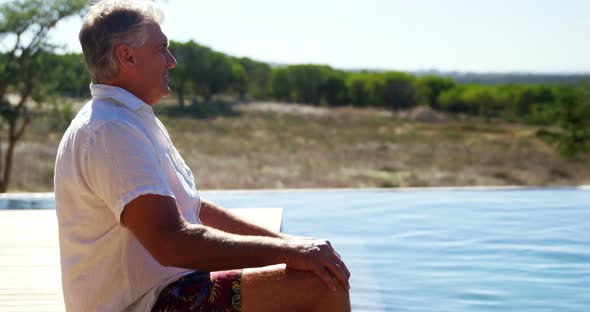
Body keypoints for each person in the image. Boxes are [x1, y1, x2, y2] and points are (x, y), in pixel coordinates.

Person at [53, 0, 351, 311]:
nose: (171, 61)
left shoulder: (129, 119)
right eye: (161, 49)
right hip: (147, 303)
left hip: (168, 289)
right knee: (320, 285)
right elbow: (172, 243)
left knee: (315, 268)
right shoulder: (110, 130)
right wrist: (289, 254)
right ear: (127, 55)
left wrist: (291, 245)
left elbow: (195, 210)